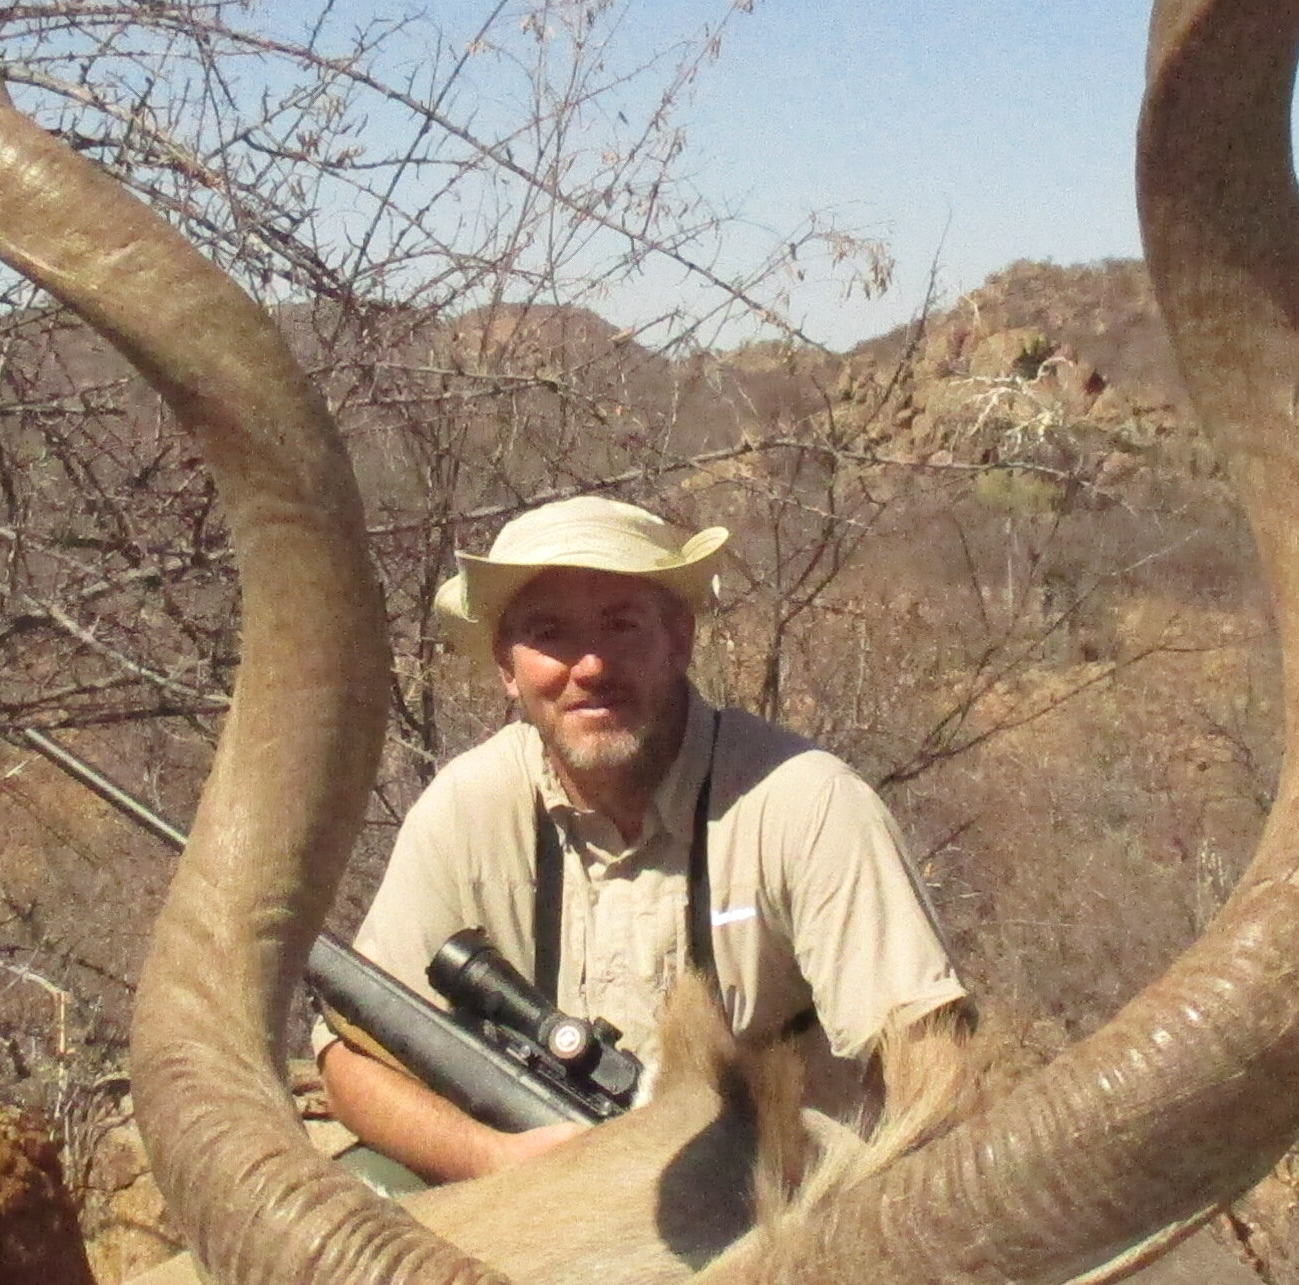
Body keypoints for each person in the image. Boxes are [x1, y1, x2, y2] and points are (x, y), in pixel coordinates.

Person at [322, 495, 965, 1184]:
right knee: (361, 1200)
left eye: (622, 626)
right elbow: (351, 1058)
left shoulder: (808, 802)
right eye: (550, 633)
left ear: (679, 640)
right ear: (507, 669)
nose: (592, 666)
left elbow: (931, 1066)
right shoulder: (465, 808)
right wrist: (496, 1161)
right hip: (540, 1195)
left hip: (775, 1212)